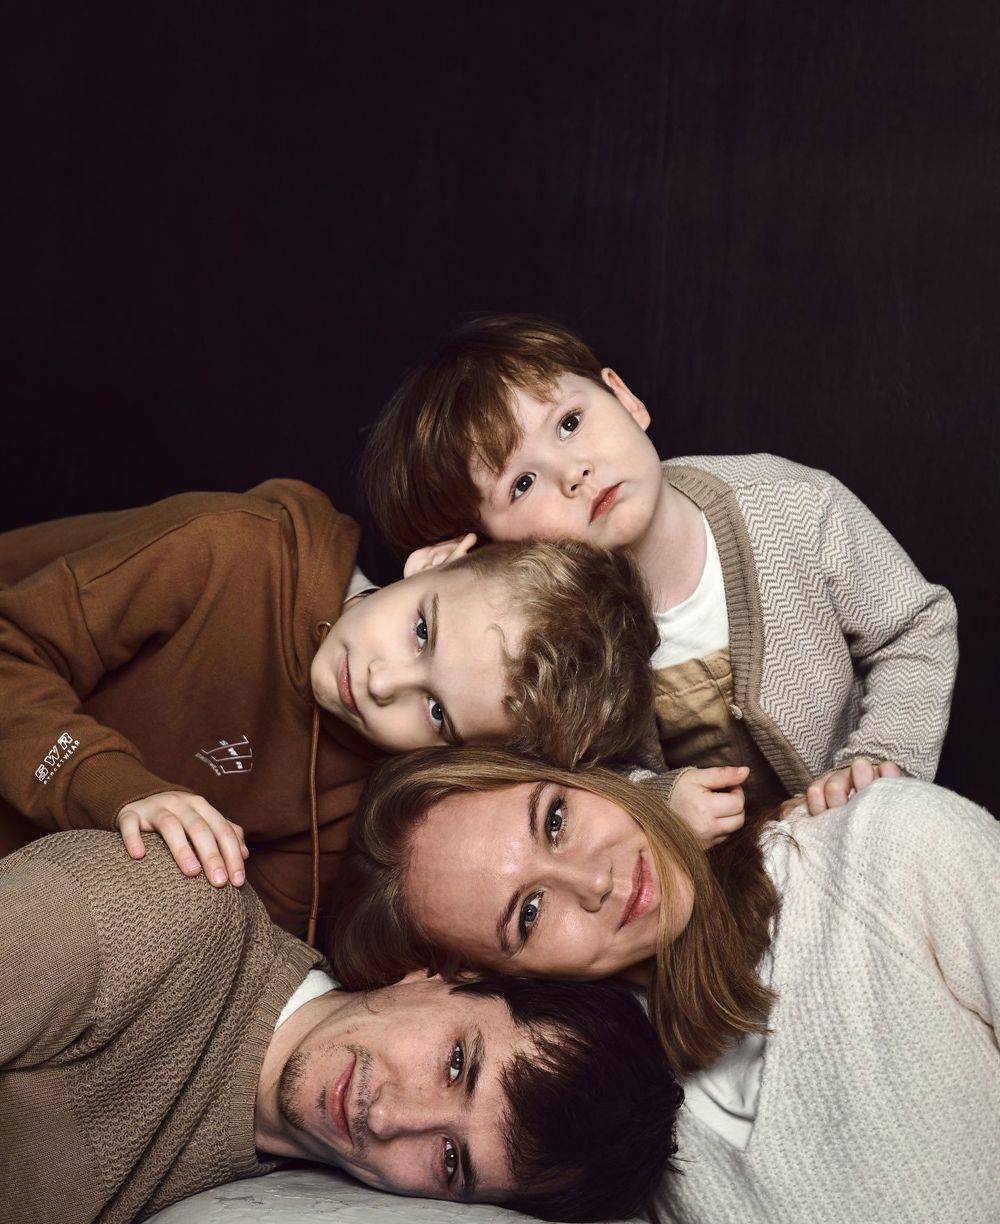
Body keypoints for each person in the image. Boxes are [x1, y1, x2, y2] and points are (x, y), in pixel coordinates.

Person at [330, 747, 1000, 1224]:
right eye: (530, 913)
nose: (596, 882)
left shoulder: (885, 850)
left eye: (556, 819)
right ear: (492, 984)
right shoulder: (622, 1150)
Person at [0, 827, 680, 1224]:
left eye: (450, 1160)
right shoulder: (160, 914)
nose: (390, 1118)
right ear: (445, 974)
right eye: (455, 1064)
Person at [360, 315, 957, 845]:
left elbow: (915, 626)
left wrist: (876, 760)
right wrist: (657, 803)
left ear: (624, 398)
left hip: (859, 828)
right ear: (492, 553)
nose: (573, 472)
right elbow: (565, 780)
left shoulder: (792, 507)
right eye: (521, 484)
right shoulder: (530, 659)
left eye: (569, 423)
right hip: (716, 894)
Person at [0, 479, 657, 939]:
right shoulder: (232, 550)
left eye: (435, 712)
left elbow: (240, 929)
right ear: (437, 560)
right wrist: (111, 787)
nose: (380, 681)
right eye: (422, 631)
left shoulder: (357, 807)